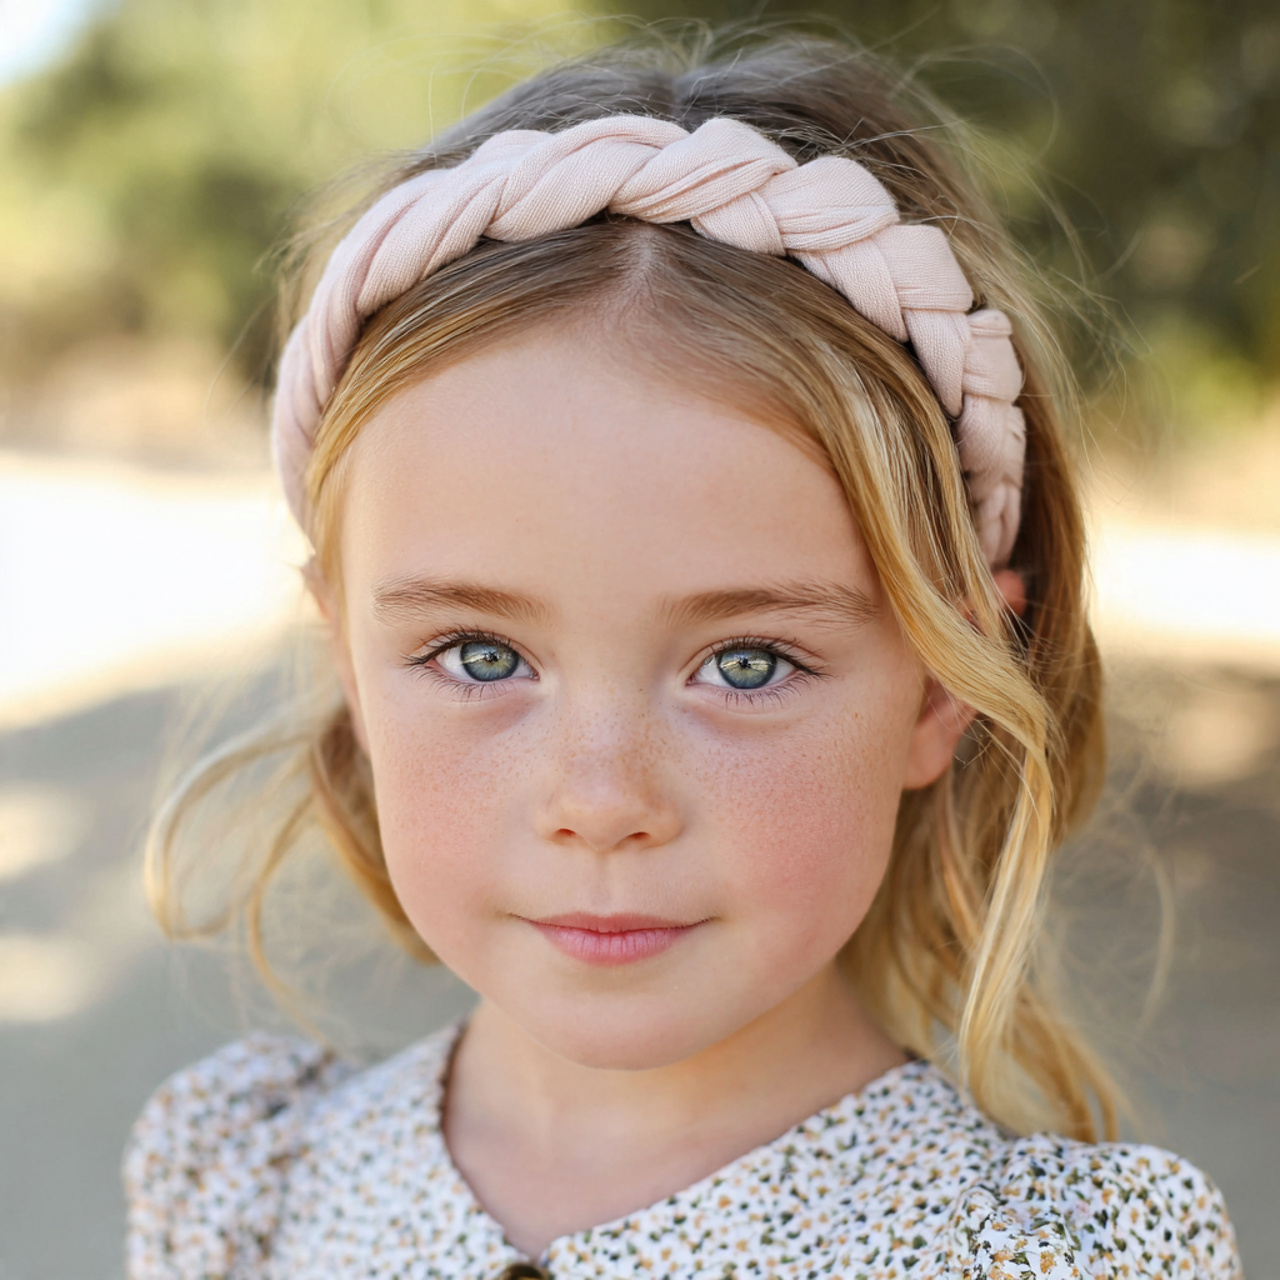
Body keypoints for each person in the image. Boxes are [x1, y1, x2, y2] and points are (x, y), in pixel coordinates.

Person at [123, 30, 1241, 1280]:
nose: (602, 802)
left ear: (943, 676)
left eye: (749, 661)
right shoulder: (250, 1181)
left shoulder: (1038, 1259)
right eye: (479, 655)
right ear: (345, 657)